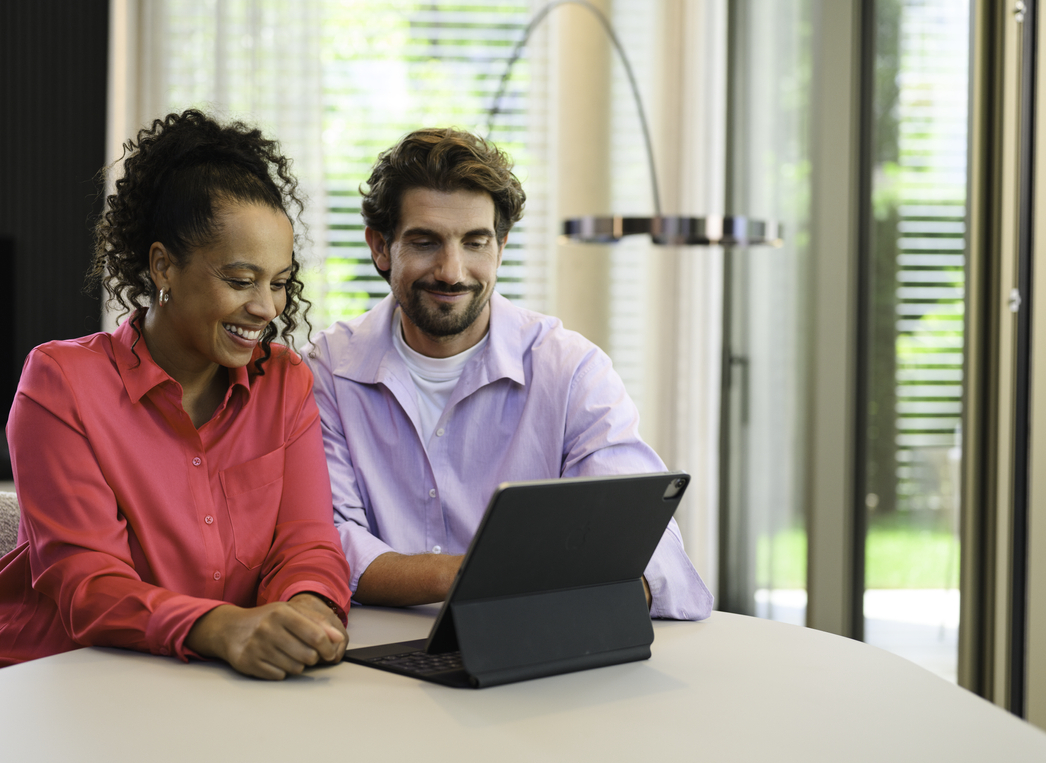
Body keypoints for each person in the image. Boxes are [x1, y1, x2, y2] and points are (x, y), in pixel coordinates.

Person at [306, 128, 713, 619]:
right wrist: (493, 575)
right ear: (380, 246)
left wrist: (595, 589)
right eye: (425, 242)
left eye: (475, 242)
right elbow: (324, 541)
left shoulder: (571, 371)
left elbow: (647, 543)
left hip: (537, 642)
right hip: (374, 647)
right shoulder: (328, 371)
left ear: (500, 247)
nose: (452, 271)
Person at [0, 109, 351, 679]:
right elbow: (89, 586)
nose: (266, 307)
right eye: (241, 280)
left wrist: (306, 613)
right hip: (60, 680)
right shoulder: (61, 382)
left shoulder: (284, 382)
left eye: (280, 282)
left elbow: (307, 545)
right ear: (163, 267)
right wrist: (224, 628)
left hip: (209, 682)